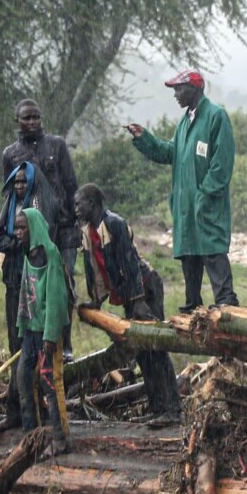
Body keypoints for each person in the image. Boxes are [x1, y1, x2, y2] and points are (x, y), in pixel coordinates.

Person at [126, 71, 238, 310]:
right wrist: (144, 139)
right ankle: (192, 308)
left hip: (206, 204)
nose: (176, 95)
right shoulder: (184, 122)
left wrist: (205, 194)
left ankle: (227, 305)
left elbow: (222, 163)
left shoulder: (216, 117)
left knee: (212, 252)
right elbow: (170, 153)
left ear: (195, 89)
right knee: (189, 257)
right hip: (185, 206)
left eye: (179, 89)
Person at [79, 183, 181, 427]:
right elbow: (93, 269)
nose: (75, 208)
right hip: (130, 295)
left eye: (78, 203)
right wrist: (95, 300)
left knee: (156, 348)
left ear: (92, 203)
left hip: (145, 288)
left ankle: (173, 409)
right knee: (142, 352)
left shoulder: (114, 223)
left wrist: (138, 301)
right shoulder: (88, 231)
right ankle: (157, 407)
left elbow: (130, 263)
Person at [0, 99, 80, 354]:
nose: (32, 122)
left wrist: (74, 221)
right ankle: (31, 342)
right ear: (17, 121)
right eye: (26, 118)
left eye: (36, 117)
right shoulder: (10, 154)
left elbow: (70, 184)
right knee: (32, 285)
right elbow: (11, 193)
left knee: (64, 285)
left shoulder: (56, 145)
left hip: (62, 228)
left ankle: (64, 344)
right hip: (30, 230)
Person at [0, 161, 53, 431]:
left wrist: (16, 243)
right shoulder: (9, 206)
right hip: (13, 282)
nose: (19, 186)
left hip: (35, 284)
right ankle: (17, 411)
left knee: (38, 349)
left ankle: (42, 411)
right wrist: (17, 242)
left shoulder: (39, 205)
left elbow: (43, 237)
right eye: (15, 182)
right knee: (18, 348)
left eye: (23, 181)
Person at [13, 206, 72, 454]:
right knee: (23, 378)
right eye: (16, 228)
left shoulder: (50, 254)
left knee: (50, 382)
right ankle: (31, 434)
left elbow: (56, 298)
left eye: (22, 228)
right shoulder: (28, 254)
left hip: (46, 334)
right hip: (31, 331)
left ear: (34, 229)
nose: (17, 233)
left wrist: (50, 334)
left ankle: (60, 438)